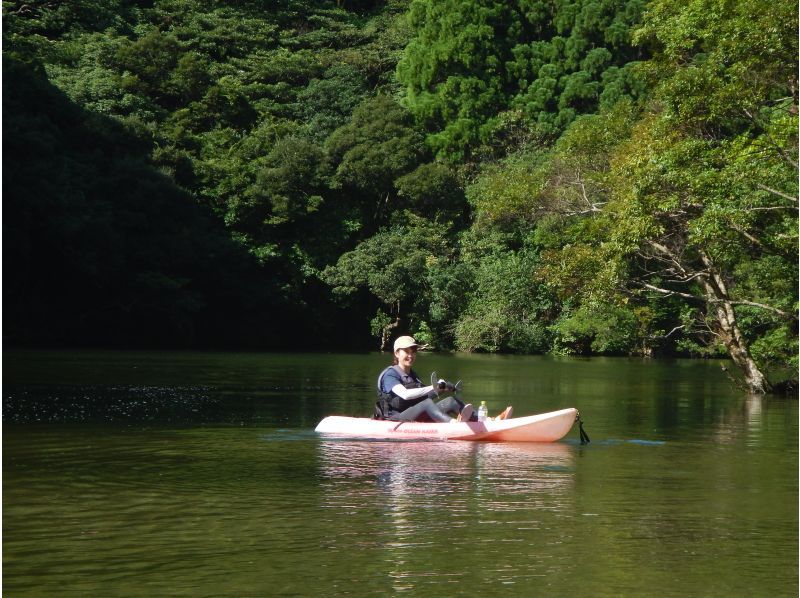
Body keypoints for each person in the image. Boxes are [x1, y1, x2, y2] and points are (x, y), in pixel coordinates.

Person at [375, 335, 475, 423]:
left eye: (413, 352)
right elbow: (405, 395)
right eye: (406, 351)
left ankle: (479, 419)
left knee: (451, 401)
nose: (410, 355)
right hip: (396, 418)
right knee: (427, 404)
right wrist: (434, 386)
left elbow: (423, 397)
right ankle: (453, 424)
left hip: (414, 413)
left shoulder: (413, 375)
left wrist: (440, 390)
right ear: (396, 353)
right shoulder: (390, 375)